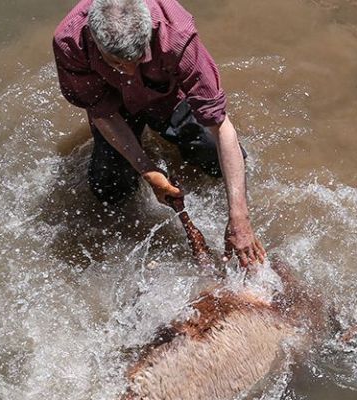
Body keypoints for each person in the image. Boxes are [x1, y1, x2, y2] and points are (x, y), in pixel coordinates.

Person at [52, 0, 266, 267]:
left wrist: (240, 218)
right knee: (109, 191)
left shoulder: (177, 35)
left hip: (168, 97)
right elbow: (101, 112)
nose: (128, 70)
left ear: (150, 35)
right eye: (115, 62)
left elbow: (221, 126)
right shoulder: (71, 42)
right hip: (114, 106)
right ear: (94, 42)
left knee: (216, 160)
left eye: (138, 59)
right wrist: (147, 169)